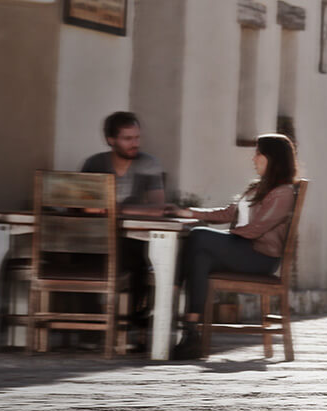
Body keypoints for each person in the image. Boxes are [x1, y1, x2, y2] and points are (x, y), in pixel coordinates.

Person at [164, 133, 299, 359]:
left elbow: (256, 229)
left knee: (198, 237)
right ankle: (191, 334)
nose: (253, 159)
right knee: (201, 256)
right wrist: (188, 212)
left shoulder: (283, 193)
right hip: (242, 249)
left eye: (258, 153)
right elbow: (228, 213)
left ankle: (174, 288)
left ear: (271, 158)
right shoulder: (257, 187)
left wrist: (221, 239)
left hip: (260, 258)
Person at [78, 112, 166, 338]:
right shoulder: (94, 164)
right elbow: (83, 208)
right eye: (128, 138)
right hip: (94, 242)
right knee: (79, 254)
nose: (134, 143)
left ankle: (137, 327)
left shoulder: (148, 163)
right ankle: (88, 331)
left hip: (132, 242)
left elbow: (158, 208)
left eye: (137, 137)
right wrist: (130, 209)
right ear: (111, 140)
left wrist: (112, 209)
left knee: (141, 260)